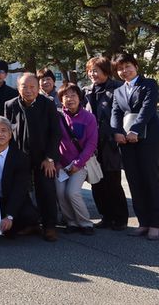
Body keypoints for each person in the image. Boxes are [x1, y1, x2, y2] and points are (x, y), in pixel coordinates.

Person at [110, 52, 159, 241]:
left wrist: (135, 130)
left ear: (136, 66)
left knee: (150, 180)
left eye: (127, 66)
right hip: (126, 142)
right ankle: (143, 222)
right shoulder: (118, 91)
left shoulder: (149, 84)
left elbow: (147, 109)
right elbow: (115, 113)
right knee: (134, 181)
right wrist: (117, 132)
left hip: (148, 140)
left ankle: (155, 224)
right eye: (120, 68)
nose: (124, 71)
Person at [4, 73, 61, 242]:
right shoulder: (10, 105)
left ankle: (49, 226)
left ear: (38, 88)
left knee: (46, 189)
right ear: (18, 88)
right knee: (19, 191)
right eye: (24, 87)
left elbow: (55, 133)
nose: (28, 90)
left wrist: (50, 158)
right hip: (19, 156)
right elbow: (7, 131)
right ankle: (30, 223)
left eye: (32, 87)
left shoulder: (48, 104)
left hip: (43, 157)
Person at [83, 56, 128, 230]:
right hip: (93, 144)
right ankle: (106, 216)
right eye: (90, 71)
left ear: (106, 71)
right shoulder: (86, 91)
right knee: (96, 182)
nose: (92, 74)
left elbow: (124, 113)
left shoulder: (117, 87)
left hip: (111, 143)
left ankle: (120, 218)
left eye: (96, 70)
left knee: (113, 182)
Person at [56, 83, 97, 235]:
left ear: (79, 98)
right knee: (60, 192)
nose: (70, 99)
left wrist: (78, 163)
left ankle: (85, 223)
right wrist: (57, 163)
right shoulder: (58, 117)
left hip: (80, 164)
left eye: (73, 95)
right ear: (61, 100)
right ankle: (71, 222)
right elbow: (53, 140)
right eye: (66, 96)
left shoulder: (89, 117)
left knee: (72, 192)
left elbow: (91, 143)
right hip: (61, 165)